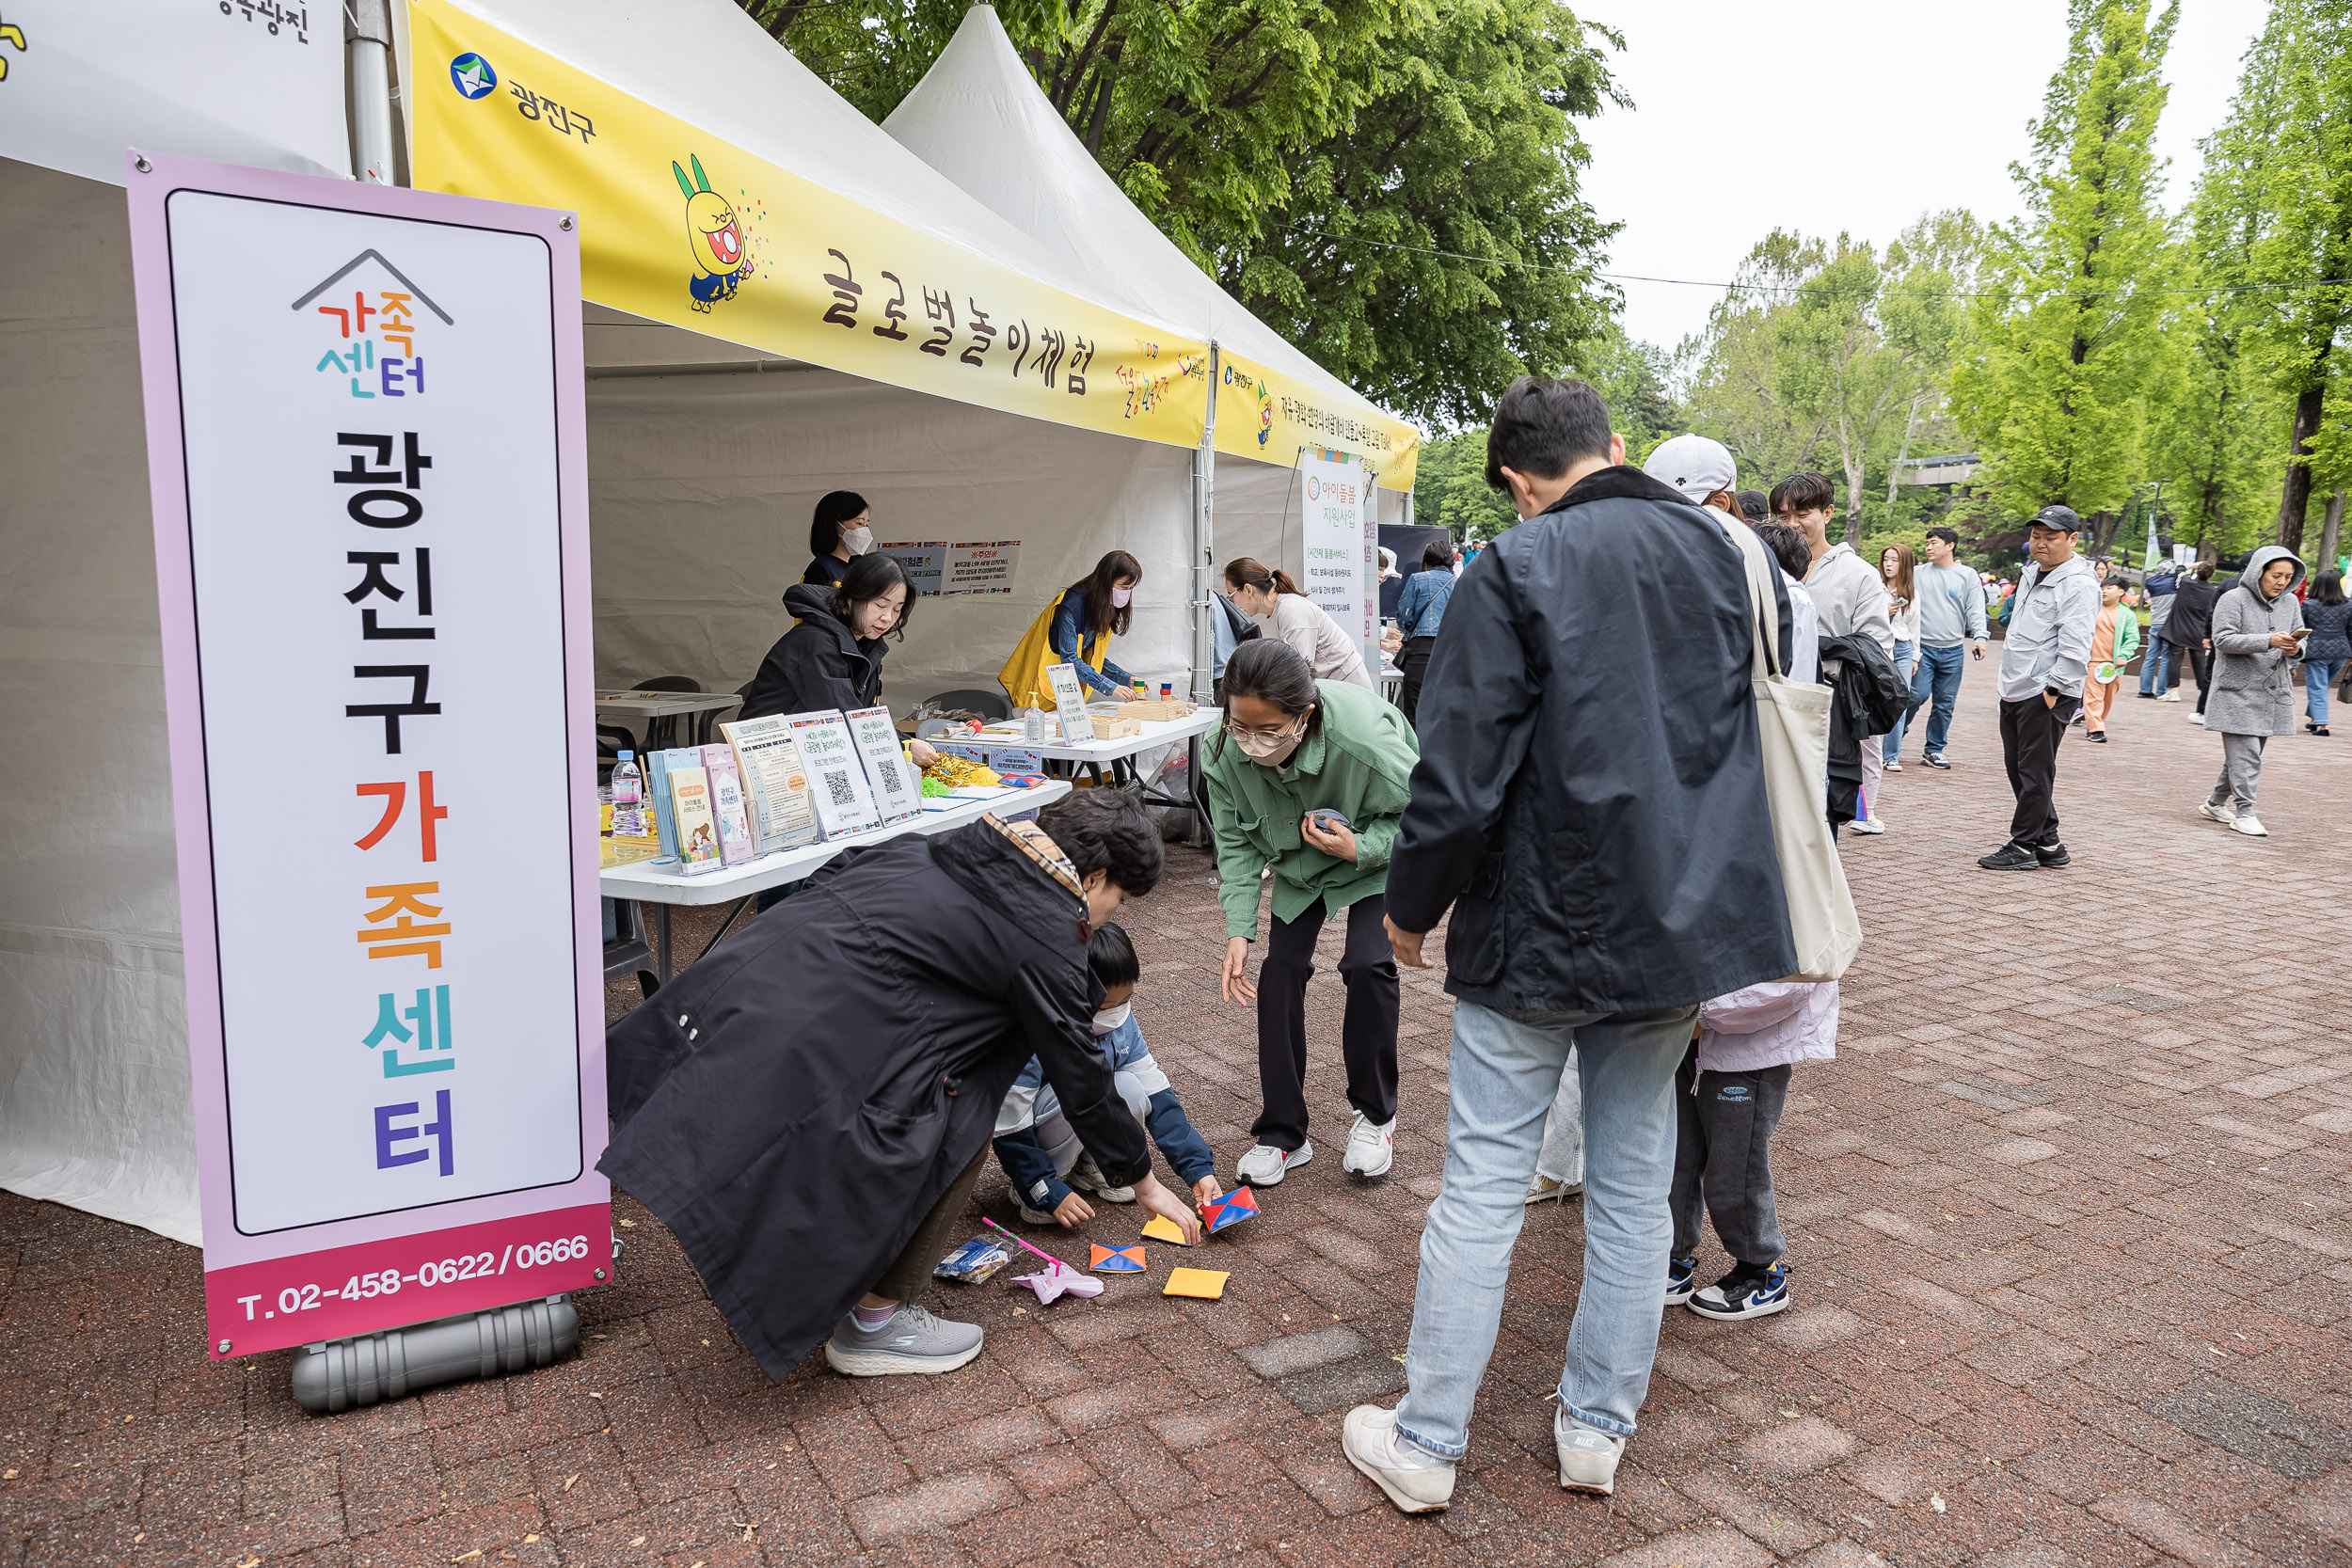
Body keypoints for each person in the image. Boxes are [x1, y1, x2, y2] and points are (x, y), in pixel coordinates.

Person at [1340, 376, 1796, 1513]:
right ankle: (1596, 1428)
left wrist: (1410, 908)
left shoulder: (1517, 562)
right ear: (1617, 446)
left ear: (1513, 478)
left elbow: (1457, 769)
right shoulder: (1726, 553)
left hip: (1537, 916)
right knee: (1636, 1186)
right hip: (1678, 917)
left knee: (1485, 1180)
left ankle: (1429, 1438)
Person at [598, 791, 1202, 1382]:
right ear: (1093, 876)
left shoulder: (943, 843)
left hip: (744, 985)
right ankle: (877, 1321)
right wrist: (1143, 1181)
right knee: (961, 1119)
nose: (1104, 919)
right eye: (1117, 902)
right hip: (821, 1039)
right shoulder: (1048, 932)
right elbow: (1082, 1073)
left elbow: (838, 871)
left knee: (705, 1111)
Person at [1209, 640, 1419, 1186]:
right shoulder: (1222, 749)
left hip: (1368, 856)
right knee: (1279, 975)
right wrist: (1238, 929)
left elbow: (1432, 817)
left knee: (1368, 965)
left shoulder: (1364, 744)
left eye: (1269, 731)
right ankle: (1283, 1133)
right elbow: (1234, 844)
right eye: (1241, 727)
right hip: (1298, 869)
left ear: (1304, 717)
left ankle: (1376, 1116)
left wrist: (1363, 848)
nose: (1252, 744)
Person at [994, 923, 1222, 1226]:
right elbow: (1009, 1123)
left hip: (1075, 1119)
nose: (1116, 1012)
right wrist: (1043, 1188)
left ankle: (1096, 1166)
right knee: (1080, 1087)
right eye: (1106, 1004)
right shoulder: (1034, 1028)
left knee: (1129, 1086)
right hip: (1039, 1132)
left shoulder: (1123, 1024)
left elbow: (1158, 1097)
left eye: (1125, 1001)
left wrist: (1199, 1169)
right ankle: (1041, 1182)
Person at [1978, 505, 2100, 871]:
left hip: (2046, 691)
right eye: (2036, 536)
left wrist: (2053, 690)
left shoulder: (2078, 583)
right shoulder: (2032, 572)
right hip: (2016, 686)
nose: (2041, 544)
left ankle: (2023, 845)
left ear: (2073, 539)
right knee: (2020, 767)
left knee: (2034, 770)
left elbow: (2076, 645)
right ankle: (2049, 843)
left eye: (2051, 537)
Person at [1772, 472, 1893, 832]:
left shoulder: (1858, 575)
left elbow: (1877, 647)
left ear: (1827, 513)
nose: (1792, 525)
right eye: (1782, 516)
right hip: (1772, 706)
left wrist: (1820, 649)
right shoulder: (1766, 566)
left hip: (1828, 712)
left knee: (1821, 818)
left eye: (1802, 514)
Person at [740, 554, 936, 768]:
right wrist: (904, 744)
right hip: (768, 762)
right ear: (851, 598)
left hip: (809, 758)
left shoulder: (866, 642)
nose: (888, 618)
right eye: (881, 605)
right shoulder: (816, 643)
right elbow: (845, 716)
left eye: (897, 609)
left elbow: (865, 714)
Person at [2200, 546, 2307, 836]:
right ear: (2258, 572)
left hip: (2272, 691)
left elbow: (2300, 636)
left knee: (2246, 754)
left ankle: (2215, 802)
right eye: (2276, 575)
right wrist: (2268, 640)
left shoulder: (2290, 603)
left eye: (2287, 576)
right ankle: (2244, 811)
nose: (2282, 582)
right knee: (2247, 755)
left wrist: (2296, 647)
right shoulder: (2232, 599)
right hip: (2236, 692)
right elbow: (2222, 640)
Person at [1892, 528, 1988, 769]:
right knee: (1916, 695)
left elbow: (1975, 609)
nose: (1928, 547)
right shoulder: (1916, 574)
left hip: (1953, 649)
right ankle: (1893, 737)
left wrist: (1980, 637)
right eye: (1926, 543)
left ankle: (1934, 749)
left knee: (1945, 703)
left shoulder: (1967, 575)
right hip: (1923, 648)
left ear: (1950, 546)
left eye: (1933, 543)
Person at [1000, 551, 1147, 707]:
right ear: (1106, 581)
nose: (1126, 593)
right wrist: (1110, 687)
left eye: (1130, 588)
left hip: (1060, 692)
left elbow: (1091, 657)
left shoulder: (1101, 606)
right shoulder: (1072, 605)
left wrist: (1124, 678)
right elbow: (1070, 659)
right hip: (1035, 691)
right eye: (1123, 587)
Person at [1224, 557, 1375, 689]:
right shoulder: (1278, 612)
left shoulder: (1291, 609)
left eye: (1231, 596)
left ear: (1248, 590)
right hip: (1332, 686)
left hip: (1348, 688)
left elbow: (1298, 672)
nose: (1234, 603)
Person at [1391, 541, 1457, 724]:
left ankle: (1416, 753)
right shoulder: (1459, 583)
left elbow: (1405, 617)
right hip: (1451, 653)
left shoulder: (1417, 579)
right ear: (1451, 563)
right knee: (1443, 714)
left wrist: (1408, 630)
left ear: (1426, 562)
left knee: (1414, 714)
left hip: (1420, 652)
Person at [2079, 576, 2139, 743]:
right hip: (2093, 662)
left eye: (2109, 588)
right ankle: (2096, 728)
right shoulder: (2092, 609)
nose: (2104, 591)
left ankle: (2096, 723)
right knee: (2093, 696)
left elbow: (2133, 638)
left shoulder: (2127, 614)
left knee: (2108, 698)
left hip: (2115, 665)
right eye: (2103, 587)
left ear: (2121, 592)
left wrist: (2124, 655)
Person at [1878, 543, 1919, 770]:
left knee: (1901, 701)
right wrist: (1885, 611)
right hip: (1880, 648)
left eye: (1894, 560)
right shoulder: (1874, 587)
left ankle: (1891, 756)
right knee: (1875, 698)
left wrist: (1915, 657)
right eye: (1886, 560)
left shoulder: (1912, 593)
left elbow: (1915, 628)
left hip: (1902, 648)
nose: (1889, 564)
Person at [2165, 562, 2220, 719]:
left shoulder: (2185, 582)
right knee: (2200, 662)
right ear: (2212, 575)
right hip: (2199, 631)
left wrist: (2195, 564)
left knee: (2175, 659)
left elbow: (2179, 568)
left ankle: (2173, 691)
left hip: (2179, 628)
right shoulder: (2213, 591)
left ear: (2197, 570)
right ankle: (2203, 690)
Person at [2300, 569, 2351, 736]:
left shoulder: (2308, 605)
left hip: (2317, 651)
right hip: (2341, 652)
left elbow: (2301, 628)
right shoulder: (2349, 605)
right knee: (2321, 686)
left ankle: (2323, 725)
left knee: (2317, 687)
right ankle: (2313, 719)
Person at [802, 490, 873, 592]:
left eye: (866, 525)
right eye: (859, 523)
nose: (865, 531)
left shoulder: (858, 567)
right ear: (837, 523)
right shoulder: (821, 569)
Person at [2139, 562, 2181, 700]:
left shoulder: (2151, 582)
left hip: (2155, 623)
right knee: (2166, 659)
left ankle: (2144, 689)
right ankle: (2161, 691)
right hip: (2169, 625)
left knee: (2150, 657)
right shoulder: (2174, 582)